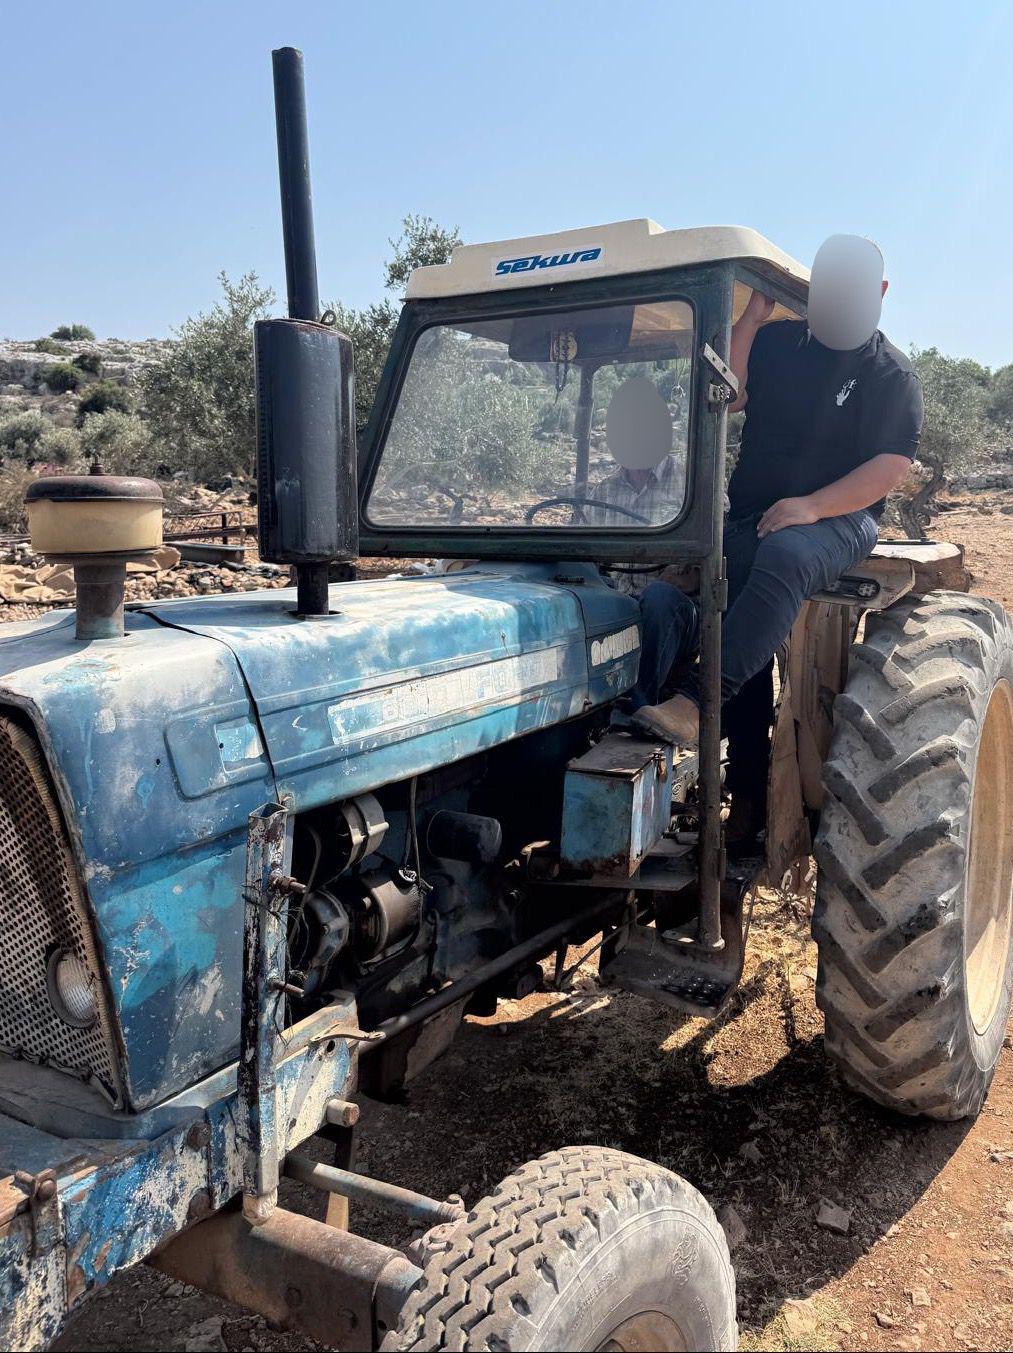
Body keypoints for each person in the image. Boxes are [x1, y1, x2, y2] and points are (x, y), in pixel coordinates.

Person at [629, 234, 924, 846]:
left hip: (838, 520)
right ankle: (739, 801)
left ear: (881, 294)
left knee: (784, 558)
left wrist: (813, 506)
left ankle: (694, 702)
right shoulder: (776, 343)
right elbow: (729, 397)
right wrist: (750, 318)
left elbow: (889, 468)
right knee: (723, 620)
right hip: (752, 515)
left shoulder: (889, 372)